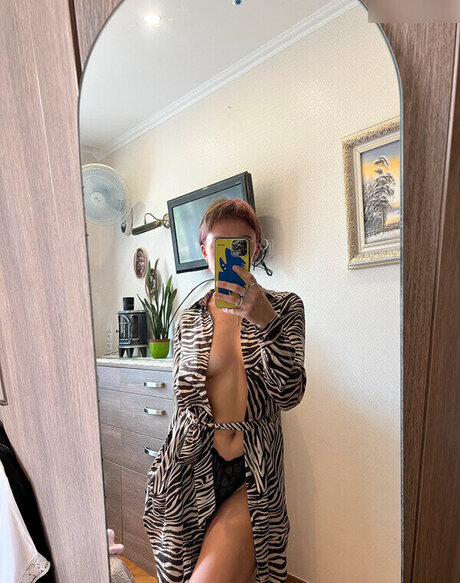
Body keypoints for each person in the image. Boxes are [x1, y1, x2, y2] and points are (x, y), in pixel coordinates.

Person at [143, 198, 307, 583]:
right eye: (221, 246)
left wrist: (266, 322)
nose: (232, 256)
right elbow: (185, 402)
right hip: (191, 468)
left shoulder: (285, 308)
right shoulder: (188, 319)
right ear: (205, 251)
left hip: (253, 472)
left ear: (255, 250)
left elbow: (289, 394)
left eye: (242, 245)